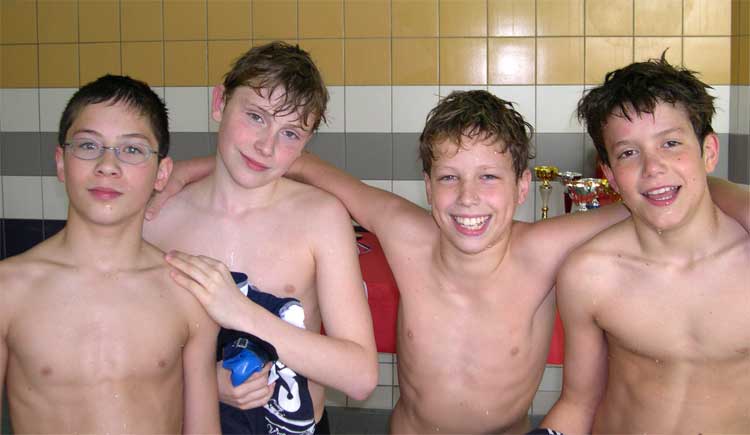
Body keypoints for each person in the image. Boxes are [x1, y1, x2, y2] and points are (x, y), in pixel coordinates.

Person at [151, 88, 746, 433]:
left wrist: (739, 200)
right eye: (449, 178)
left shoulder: (544, 249)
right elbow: (305, 166)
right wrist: (187, 172)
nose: (468, 199)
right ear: (427, 187)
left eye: (489, 178)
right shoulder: (405, 234)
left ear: (521, 188)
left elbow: (652, 191)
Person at [143, 41, 378, 434]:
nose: (266, 146)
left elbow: (360, 376)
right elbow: (129, 353)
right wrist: (201, 381)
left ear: (306, 144)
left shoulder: (321, 218)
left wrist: (241, 312)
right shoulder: (158, 219)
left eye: (290, 134)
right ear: (219, 103)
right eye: (255, 116)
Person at [539, 56, 750, 433]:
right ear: (609, 175)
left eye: (670, 143)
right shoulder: (590, 274)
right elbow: (578, 404)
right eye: (628, 153)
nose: (652, 168)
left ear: (709, 152)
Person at [0, 75, 220, 434]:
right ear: (61, 162)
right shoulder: (9, 290)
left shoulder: (187, 293)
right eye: (88, 145)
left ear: (162, 173)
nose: (107, 165)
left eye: (131, 150)